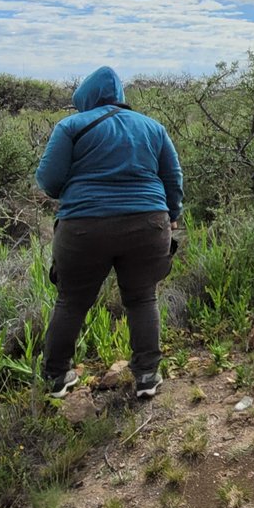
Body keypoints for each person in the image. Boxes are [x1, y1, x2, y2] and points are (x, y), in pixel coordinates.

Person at [35, 66, 183, 399]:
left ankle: (56, 378)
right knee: (143, 298)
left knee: (71, 302)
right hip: (148, 224)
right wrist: (173, 214)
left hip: (83, 228)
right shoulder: (153, 127)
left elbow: (49, 181)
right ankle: (147, 375)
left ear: (85, 97)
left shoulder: (71, 126)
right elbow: (172, 177)